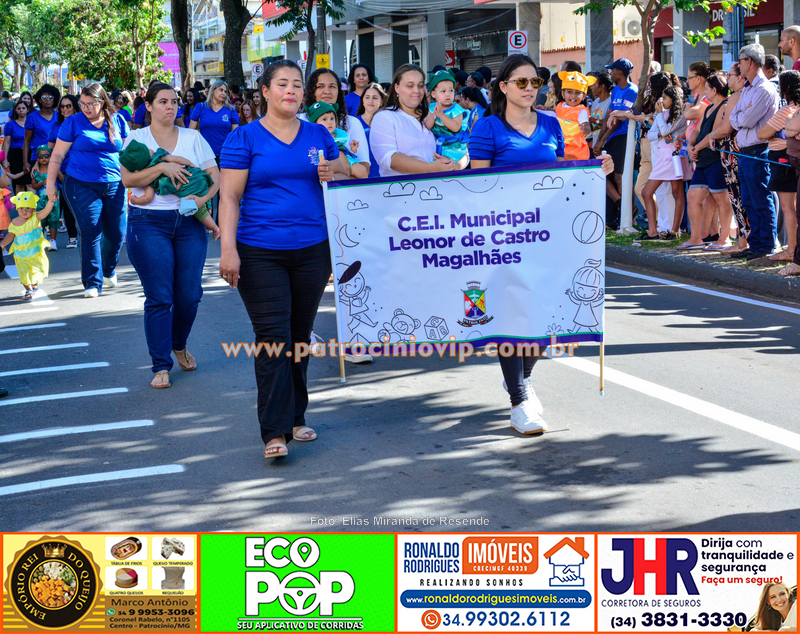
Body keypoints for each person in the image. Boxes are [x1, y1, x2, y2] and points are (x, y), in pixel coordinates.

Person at [469, 54, 612, 434]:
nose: (530, 89)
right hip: (503, 238)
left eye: (535, 82)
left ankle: (522, 377)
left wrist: (598, 170)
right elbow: (476, 188)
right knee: (512, 314)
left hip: (549, 235)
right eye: (521, 83)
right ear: (502, 87)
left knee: (550, 313)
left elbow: (566, 175)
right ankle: (519, 401)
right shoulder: (487, 128)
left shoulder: (552, 123)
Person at [217, 60, 345, 459]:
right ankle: (274, 431)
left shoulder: (317, 134)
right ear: (266, 92)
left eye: (295, 85)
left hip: (312, 249)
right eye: (282, 84)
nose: (290, 91)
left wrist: (332, 172)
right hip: (259, 252)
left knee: (300, 336)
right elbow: (229, 197)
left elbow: (344, 171)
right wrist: (228, 249)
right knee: (273, 338)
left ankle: (295, 417)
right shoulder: (244, 137)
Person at [120, 82, 220, 389]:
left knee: (189, 295)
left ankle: (179, 343)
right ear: (148, 106)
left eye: (174, 101)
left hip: (189, 223)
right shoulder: (136, 138)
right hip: (148, 223)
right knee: (160, 296)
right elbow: (128, 179)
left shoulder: (193, 137)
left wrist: (200, 203)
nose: (170, 106)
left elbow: (216, 179)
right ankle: (160, 365)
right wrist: (163, 166)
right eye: (163, 101)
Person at [47, 83, 130, 298]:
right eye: (82, 104)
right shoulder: (73, 122)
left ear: (102, 102)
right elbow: (56, 156)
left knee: (117, 232)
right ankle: (92, 282)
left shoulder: (118, 120)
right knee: (91, 230)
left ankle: (108, 269)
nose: (85, 108)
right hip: (80, 183)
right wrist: (49, 185)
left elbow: (129, 152)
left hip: (115, 183)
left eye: (90, 104)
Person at [727, 43, 780, 260]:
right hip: (746, 150)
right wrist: (741, 116)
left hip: (758, 151)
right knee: (748, 199)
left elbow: (745, 119)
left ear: (750, 62)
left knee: (759, 198)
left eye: (741, 60)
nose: (739, 65)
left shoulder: (764, 89)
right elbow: (734, 117)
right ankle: (756, 242)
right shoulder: (748, 88)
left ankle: (766, 245)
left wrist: (741, 116)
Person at [679, 73, 733, 250]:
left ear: (714, 90)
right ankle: (696, 238)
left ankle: (723, 238)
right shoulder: (708, 107)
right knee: (693, 197)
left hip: (716, 159)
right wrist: (692, 145)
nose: (705, 93)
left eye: (707, 89)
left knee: (721, 200)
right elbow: (698, 130)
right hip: (702, 160)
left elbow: (715, 133)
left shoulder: (724, 106)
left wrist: (696, 149)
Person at [757, 70, 800, 262]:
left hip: (781, 158)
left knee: (788, 206)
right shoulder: (796, 109)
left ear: (787, 87)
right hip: (790, 157)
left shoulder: (786, 110)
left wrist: (773, 134)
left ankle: (791, 250)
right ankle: (792, 248)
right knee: (793, 206)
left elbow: (762, 134)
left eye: (781, 85)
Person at [301, 68, 370, 177]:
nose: (327, 91)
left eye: (332, 86)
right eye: (320, 86)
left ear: (339, 91)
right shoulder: (300, 121)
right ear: (311, 91)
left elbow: (364, 166)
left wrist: (340, 182)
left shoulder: (352, 123)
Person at [639, 86, 687, 240]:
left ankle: (673, 231)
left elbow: (667, 130)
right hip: (662, 157)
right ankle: (653, 231)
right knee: (647, 192)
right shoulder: (663, 114)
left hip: (673, 157)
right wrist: (660, 132)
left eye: (665, 98)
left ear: (674, 99)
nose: (662, 101)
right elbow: (653, 134)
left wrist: (660, 120)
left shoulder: (680, 116)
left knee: (677, 192)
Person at [594, 58, 638, 226]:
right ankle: (621, 206)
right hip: (610, 138)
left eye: (612, 70)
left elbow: (619, 119)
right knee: (606, 175)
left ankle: (629, 214)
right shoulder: (616, 91)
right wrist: (599, 141)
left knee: (621, 177)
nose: (610, 73)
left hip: (624, 136)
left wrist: (603, 139)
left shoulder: (631, 90)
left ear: (619, 72)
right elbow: (609, 116)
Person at [189, 79, 239, 221]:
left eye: (225, 91)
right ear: (213, 90)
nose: (224, 93)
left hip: (225, 155)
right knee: (205, 187)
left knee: (223, 190)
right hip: (204, 155)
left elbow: (235, 135)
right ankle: (206, 221)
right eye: (220, 90)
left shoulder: (230, 110)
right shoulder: (201, 107)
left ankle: (221, 222)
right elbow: (191, 131)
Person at [0, 191, 54, 301]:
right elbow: (11, 235)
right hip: (20, 254)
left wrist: (51, 202)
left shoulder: (35, 217)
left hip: (36, 253)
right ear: (17, 209)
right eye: (21, 208)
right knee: (23, 271)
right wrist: (2, 244)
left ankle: (34, 285)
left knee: (36, 270)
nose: (24, 211)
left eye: (28, 208)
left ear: (34, 209)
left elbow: (46, 212)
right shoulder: (15, 222)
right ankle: (28, 289)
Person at [48, 95, 80, 249]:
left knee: (76, 206)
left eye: (68, 106)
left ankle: (75, 236)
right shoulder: (56, 126)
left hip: (80, 170)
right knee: (59, 205)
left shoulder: (82, 123)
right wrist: (58, 174)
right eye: (62, 106)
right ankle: (65, 237)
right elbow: (50, 150)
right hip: (60, 170)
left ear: (74, 106)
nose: (65, 109)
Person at [306, 101, 367, 178]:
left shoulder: (339, 135)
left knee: (362, 171)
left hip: (348, 161)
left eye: (332, 118)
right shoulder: (315, 138)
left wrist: (352, 150)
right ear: (315, 123)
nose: (329, 122)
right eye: (324, 119)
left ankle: (361, 189)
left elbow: (345, 150)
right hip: (328, 165)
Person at [425, 70, 469, 169]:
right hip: (437, 147)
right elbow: (428, 125)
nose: (448, 94)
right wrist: (433, 116)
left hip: (454, 148)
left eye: (451, 90)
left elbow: (456, 128)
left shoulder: (457, 110)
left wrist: (441, 115)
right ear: (433, 94)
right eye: (443, 91)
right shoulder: (432, 108)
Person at [555, 70, 594, 160]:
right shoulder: (559, 106)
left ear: (584, 96)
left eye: (577, 93)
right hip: (561, 147)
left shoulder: (581, 110)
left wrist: (586, 128)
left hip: (576, 151)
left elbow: (586, 125)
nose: (573, 96)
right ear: (563, 93)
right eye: (569, 92)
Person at [30, 146, 61, 251]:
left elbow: (62, 179)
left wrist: (57, 172)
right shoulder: (35, 171)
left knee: (54, 218)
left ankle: (53, 241)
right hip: (40, 199)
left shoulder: (54, 169)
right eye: (41, 156)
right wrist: (42, 183)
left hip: (53, 199)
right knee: (41, 220)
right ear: (37, 158)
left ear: (50, 157)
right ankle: (41, 240)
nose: (44, 158)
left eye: (46, 156)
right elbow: (33, 185)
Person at [24, 85, 60, 173]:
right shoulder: (32, 117)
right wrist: (25, 162)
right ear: (39, 100)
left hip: (56, 157)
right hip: (38, 158)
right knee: (40, 186)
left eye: (50, 97)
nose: (48, 100)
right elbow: (27, 140)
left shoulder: (60, 116)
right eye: (44, 97)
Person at [355, 82, 387, 179]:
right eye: (367, 97)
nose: (371, 100)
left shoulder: (388, 123)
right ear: (363, 100)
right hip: (361, 176)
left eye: (375, 97)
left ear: (381, 101)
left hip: (385, 174)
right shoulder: (353, 122)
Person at [2, 101, 32, 193]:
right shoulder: (10, 124)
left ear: (27, 110)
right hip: (16, 155)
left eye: (23, 108)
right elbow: (6, 142)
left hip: (30, 154)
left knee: (30, 182)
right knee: (19, 183)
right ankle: (20, 207)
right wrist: (5, 159)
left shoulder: (32, 123)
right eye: (18, 108)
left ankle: (32, 206)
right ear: (15, 110)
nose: (21, 111)